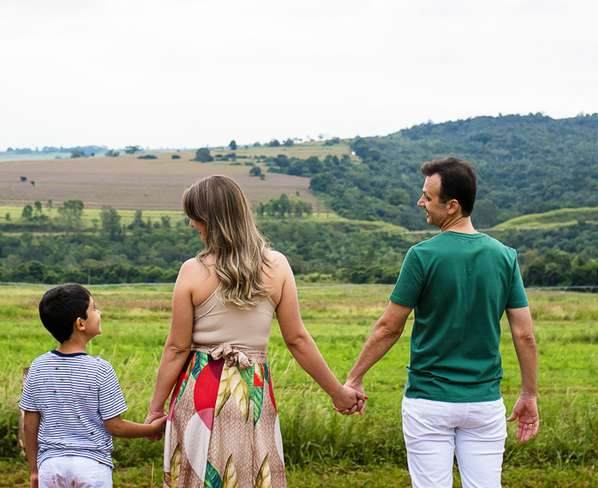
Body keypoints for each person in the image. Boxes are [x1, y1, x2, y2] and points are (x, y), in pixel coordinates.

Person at [145, 175, 365, 488]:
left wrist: (156, 409)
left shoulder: (192, 271)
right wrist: (338, 392)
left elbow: (177, 348)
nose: (192, 225)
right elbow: (297, 340)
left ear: (211, 220)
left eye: (194, 217)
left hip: (199, 394)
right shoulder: (278, 266)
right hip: (253, 392)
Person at [345, 157, 539, 488]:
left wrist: (354, 378)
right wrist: (529, 394)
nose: (420, 202)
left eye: (427, 197)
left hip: (428, 403)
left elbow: (389, 327)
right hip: (484, 403)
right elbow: (524, 335)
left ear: (451, 205)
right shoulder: (505, 257)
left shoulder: (422, 256)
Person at [20, 283, 167, 488]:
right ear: (80, 323)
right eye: (94, 308)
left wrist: (34, 471)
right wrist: (151, 428)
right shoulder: (101, 369)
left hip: (51, 467)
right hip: (91, 467)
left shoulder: (38, 366)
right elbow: (115, 426)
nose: (99, 312)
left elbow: (29, 424)